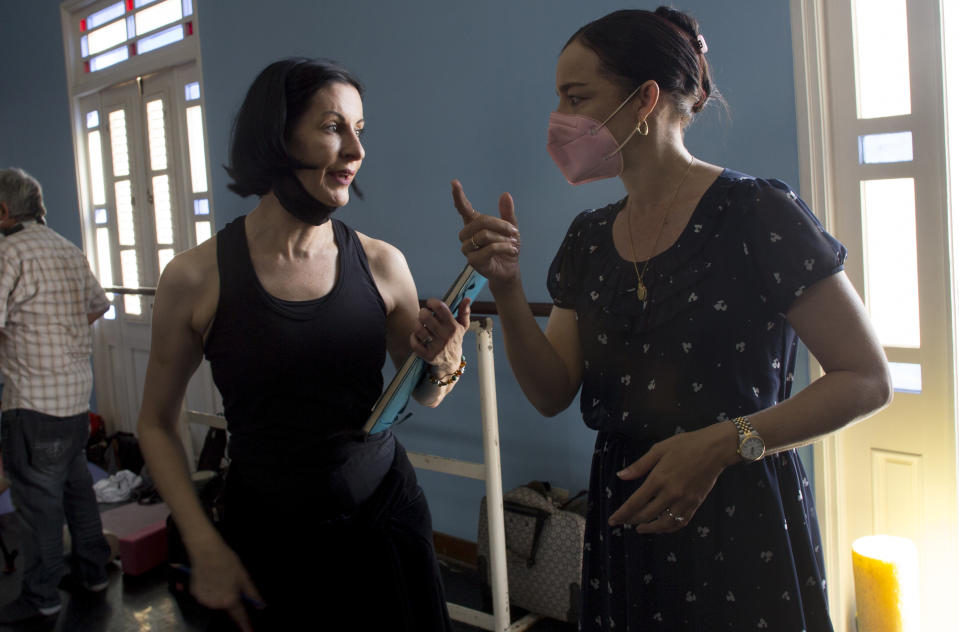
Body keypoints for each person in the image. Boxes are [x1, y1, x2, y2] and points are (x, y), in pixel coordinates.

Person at [453, 7, 892, 631]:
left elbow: (867, 378)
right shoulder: (588, 239)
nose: (561, 118)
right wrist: (509, 286)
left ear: (644, 100)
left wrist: (720, 445)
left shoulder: (756, 212)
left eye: (577, 97)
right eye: (559, 98)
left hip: (740, 514)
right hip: (627, 514)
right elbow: (551, 392)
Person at [137, 58, 467, 632]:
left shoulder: (383, 263)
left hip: (385, 522)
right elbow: (156, 423)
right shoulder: (194, 278)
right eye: (333, 127)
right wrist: (203, 542)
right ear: (277, 136)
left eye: (360, 130)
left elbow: (424, 393)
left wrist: (444, 363)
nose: (356, 151)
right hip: (267, 537)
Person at [0, 167, 113, 624]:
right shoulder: (67, 249)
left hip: (32, 403)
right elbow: (98, 305)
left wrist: (23, 342)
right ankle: (94, 572)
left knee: (38, 505)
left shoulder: (8, 252)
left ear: (3, 211)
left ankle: (41, 596)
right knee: (76, 491)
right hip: (72, 401)